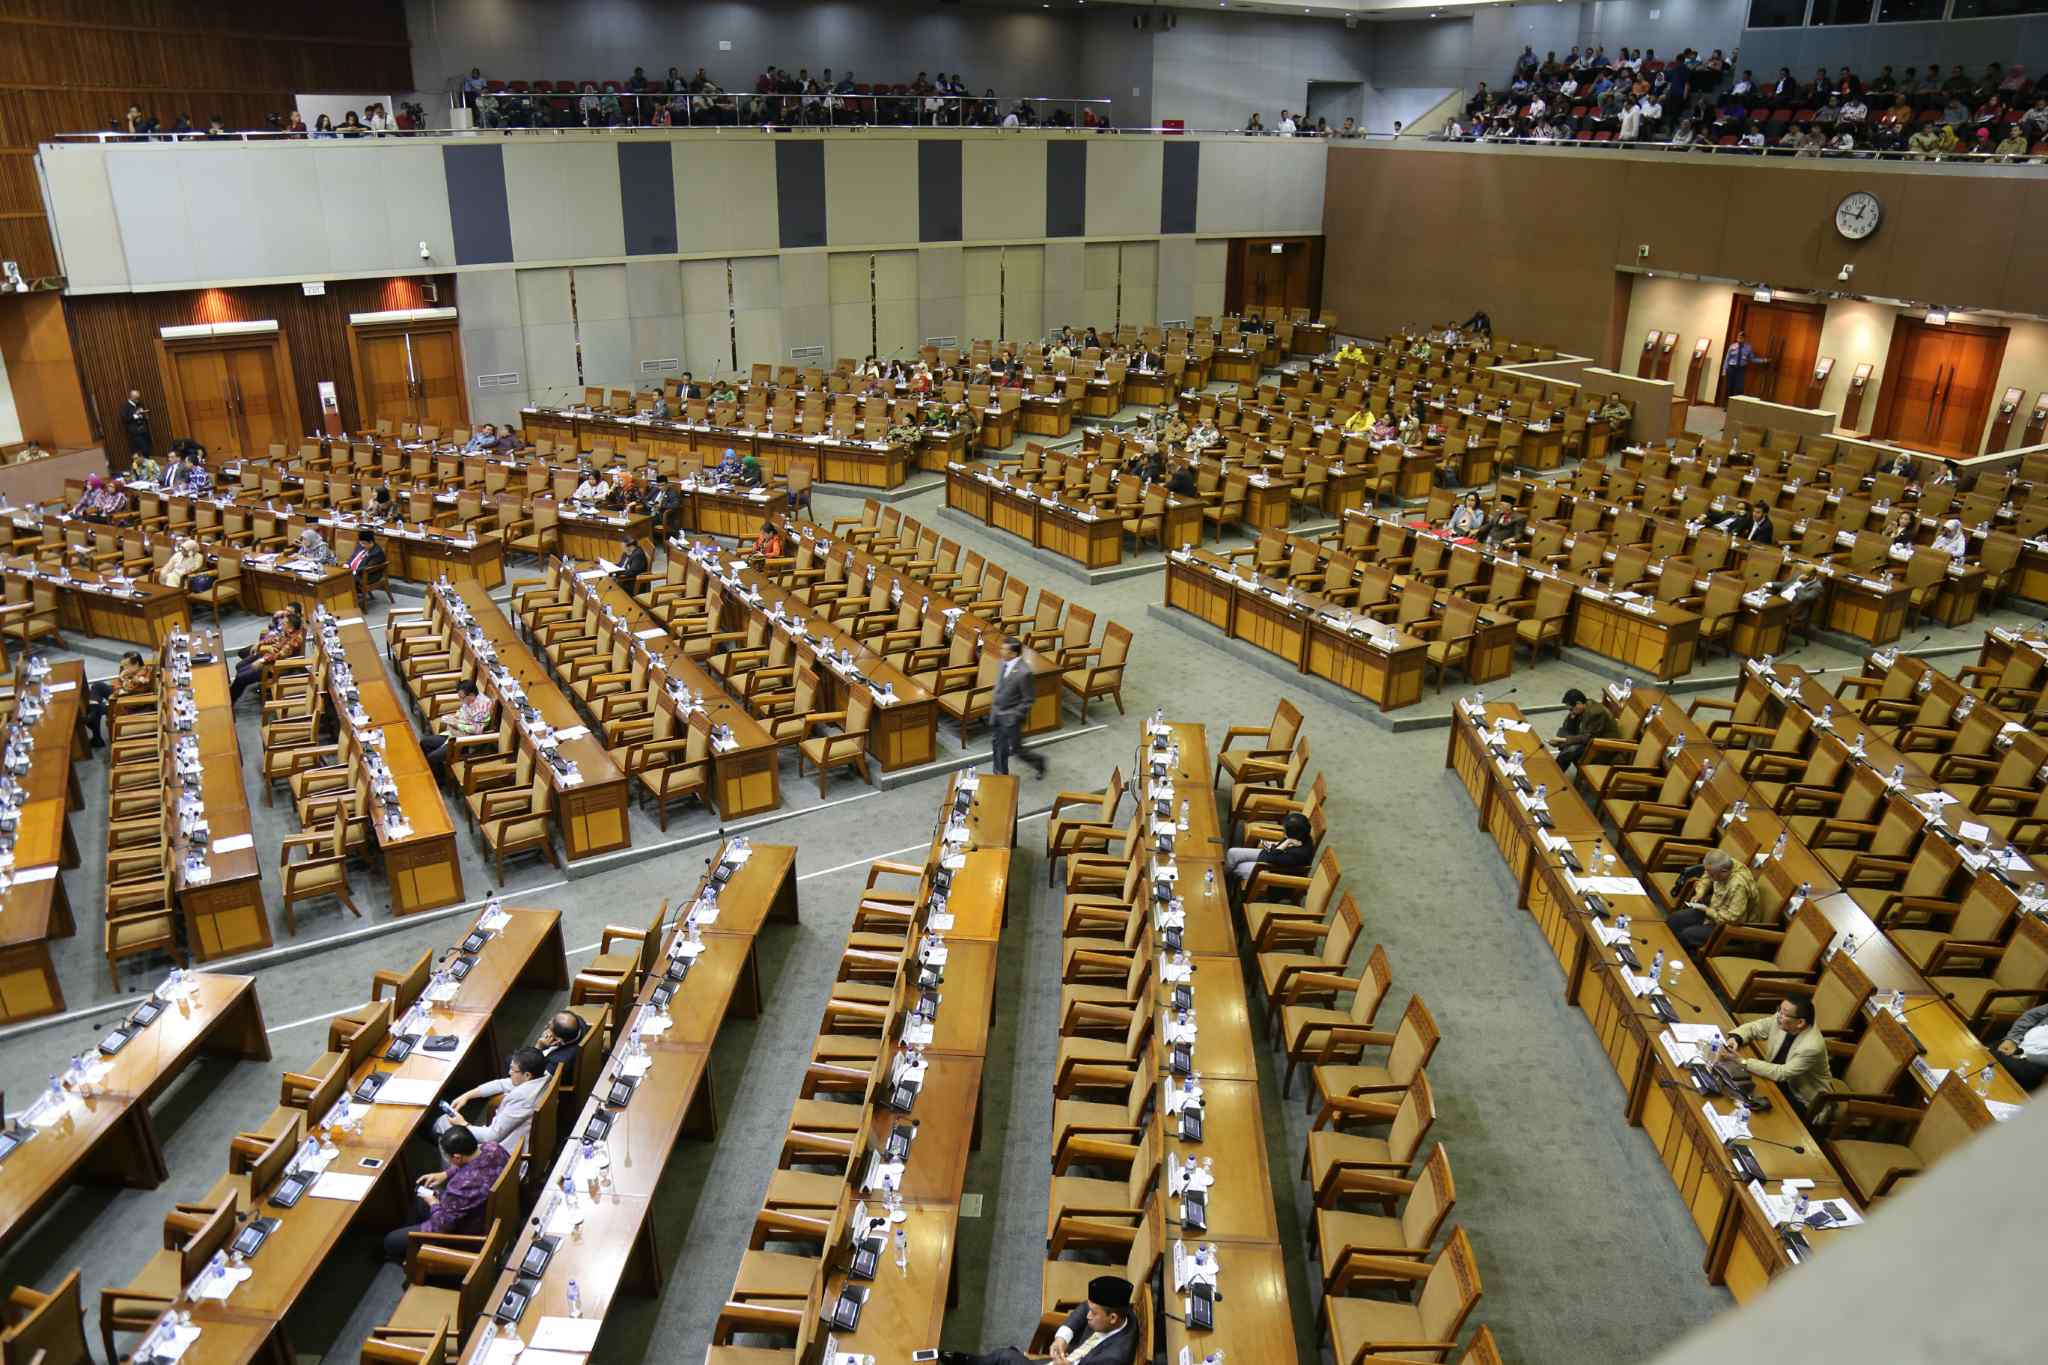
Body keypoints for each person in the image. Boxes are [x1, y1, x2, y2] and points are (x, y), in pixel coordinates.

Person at [941, 1275, 1137, 1365]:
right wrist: (1062, 1338)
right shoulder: (1121, 1313)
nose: (1088, 1316)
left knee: (1005, 1357)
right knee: (1008, 1355)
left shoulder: (1113, 1358)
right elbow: (1083, 1308)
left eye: (1094, 1313)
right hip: (1068, 1357)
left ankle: (968, 1361)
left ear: (1112, 1318)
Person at [381, 1126, 508, 1262]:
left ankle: (411, 1255)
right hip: (488, 1209)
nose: (448, 1160)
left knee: (390, 1241)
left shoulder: (460, 1186)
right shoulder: (494, 1148)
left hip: (466, 1230)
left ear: (457, 1157)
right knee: (420, 1201)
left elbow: (442, 1227)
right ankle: (411, 1238)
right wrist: (446, 1174)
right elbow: (473, 1162)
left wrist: (433, 1202)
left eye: (448, 1157)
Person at [1727, 995, 1829, 1111]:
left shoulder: (1811, 1047)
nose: (1779, 1015)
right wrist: (1736, 1038)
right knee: (1733, 1083)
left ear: (1800, 1022)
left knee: (1747, 1103)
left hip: (1797, 1096)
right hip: (1772, 1077)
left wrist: (1743, 1062)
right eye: (1779, 1010)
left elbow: (1782, 1073)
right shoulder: (1782, 1018)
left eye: (1784, 1014)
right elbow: (1756, 1028)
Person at [437, 1047, 547, 1150]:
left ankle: (450, 1163)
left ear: (527, 1075)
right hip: (512, 1135)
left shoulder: (522, 1099)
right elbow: (501, 1084)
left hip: (503, 1150)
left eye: (513, 1070)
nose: (509, 1073)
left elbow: (491, 1137)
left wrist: (463, 1124)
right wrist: (467, 1095)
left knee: (443, 1124)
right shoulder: (542, 1078)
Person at [1668, 849, 1763, 953]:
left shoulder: (1738, 886)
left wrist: (1707, 910)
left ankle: (1683, 956)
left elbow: (1733, 919)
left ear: (1724, 871)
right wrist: (1700, 893)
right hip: (1715, 910)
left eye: (1713, 875)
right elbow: (1706, 877)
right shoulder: (1722, 864)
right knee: (1675, 919)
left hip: (1731, 928)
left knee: (1687, 935)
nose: (1711, 878)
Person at [988, 636, 1045, 779]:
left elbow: (1028, 699)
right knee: (998, 746)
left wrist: (1014, 716)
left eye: (1004, 649)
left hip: (1011, 718)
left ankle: (1039, 762)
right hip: (997, 712)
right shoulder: (1003, 662)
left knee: (1017, 750)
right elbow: (1001, 684)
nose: (1001, 651)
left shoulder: (1024, 673)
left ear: (1013, 653)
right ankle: (1001, 777)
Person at [423, 679, 494, 782]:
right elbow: (463, 711)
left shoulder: (481, 708)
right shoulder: (470, 699)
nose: (461, 700)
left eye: (462, 698)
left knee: (432, 758)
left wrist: (457, 724)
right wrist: (454, 717)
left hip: (466, 742)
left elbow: (477, 730)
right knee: (425, 743)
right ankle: (440, 771)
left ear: (471, 695)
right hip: (454, 734)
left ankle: (440, 780)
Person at [229, 607, 303, 704]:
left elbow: (280, 656)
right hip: (268, 658)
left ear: (291, 628)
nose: (281, 624)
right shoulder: (287, 632)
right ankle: (232, 694)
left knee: (241, 677)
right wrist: (260, 643)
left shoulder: (294, 640)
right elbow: (275, 639)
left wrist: (261, 661)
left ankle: (229, 702)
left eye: (284, 623)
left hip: (274, 667)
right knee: (240, 668)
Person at [1223, 811, 1314, 887]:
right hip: (1271, 856)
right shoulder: (1301, 836)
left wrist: (1286, 842)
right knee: (1232, 852)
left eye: (1285, 830)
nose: (1283, 831)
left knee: (1239, 867)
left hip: (1271, 870)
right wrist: (1277, 844)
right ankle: (1224, 876)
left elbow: (1271, 859)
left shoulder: (1298, 855)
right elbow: (1277, 850)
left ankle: (1226, 884)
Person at [83, 651, 153, 747]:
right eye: (123, 666)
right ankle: (93, 713)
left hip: (127, 704)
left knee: (97, 708)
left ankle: (96, 734)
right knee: (97, 686)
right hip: (122, 695)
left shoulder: (140, 678)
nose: (124, 669)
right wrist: (121, 680)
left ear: (136, 664)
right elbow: (119, 686)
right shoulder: (136, 671)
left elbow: (121, 691)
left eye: (126, 666)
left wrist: (121, 678)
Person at [1550, 688, 1616, 773]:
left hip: (1603, 748)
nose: (1570, 712)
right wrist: (1571, 718)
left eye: (1571, 709)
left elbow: (1588, 738)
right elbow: (1566, 729)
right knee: (1564, 739)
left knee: (1569, 750)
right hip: (1589, 740)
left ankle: (1555, 774)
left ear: (1578, 703)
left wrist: (1563, 740)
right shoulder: (1582, 707)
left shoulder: (1596, 713)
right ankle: (1557, 771)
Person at [1993, 1000, 2048, 1091]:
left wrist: (2025, 1055)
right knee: (1982, 1054)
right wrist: (2012, 1039)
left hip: (2034, 1062)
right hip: (2017, 1043)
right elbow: (2031, 1016)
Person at [535, 1012, 586, 1076]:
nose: (546, 1026)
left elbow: (536, 1075)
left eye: (549, 1027)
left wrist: (538, 1047)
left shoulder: (556, 1062)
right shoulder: (578, 1023)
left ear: (558, 1040)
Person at [346, 535, 386, 602]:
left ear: (371, 543)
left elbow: (368, 567)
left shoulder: (377, 553)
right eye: (361, 543)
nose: (361, 545)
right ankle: (347, 597)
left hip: (369, 575)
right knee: (339, 577)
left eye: (364, 543)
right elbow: (353, 556)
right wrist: (347, 564)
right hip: (355, 570)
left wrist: (353, 571)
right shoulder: (361, 545)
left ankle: (352, 600)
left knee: (346, 578)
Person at [1722, 330, 1760, 397]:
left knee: (1739, 388)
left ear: (1744, 338)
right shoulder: (1732, 346)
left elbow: (1752, 359)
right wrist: (1724, 370)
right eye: (1739, 337)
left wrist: (1763, 360)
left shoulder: (1748, 348)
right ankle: (1728, 402)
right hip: (1731, 368)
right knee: (1729, 387)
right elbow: (1727, 359)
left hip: (1741, 369)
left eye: (1741, 337)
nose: (1740, 338)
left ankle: (1736, 402)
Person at [120, 389, 152, 463]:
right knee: (144, 450)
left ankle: (147, 464)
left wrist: (143, 414)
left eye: (138, 398)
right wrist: (135, 415)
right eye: (136, 398)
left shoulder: (139, 404)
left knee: (148, 448)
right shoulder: (125, 406)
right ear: (131, 398)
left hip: (143, 430)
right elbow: (124, 419)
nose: (138, 400)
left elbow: (141, 414)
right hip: (135, 432)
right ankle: (146, 464)